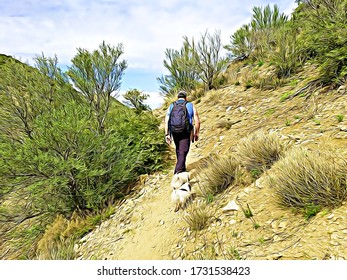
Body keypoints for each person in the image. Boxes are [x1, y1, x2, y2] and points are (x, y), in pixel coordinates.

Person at [165, 90, 200, 174]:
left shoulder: (172, 105)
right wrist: (196, 133)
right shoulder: (190, 105)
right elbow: (197, 121)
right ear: (186, 97)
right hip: (186, 131)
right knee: (183, 151)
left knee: (179, 150)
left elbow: (166, 120)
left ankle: (182, 168)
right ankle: (178, 173)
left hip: (174, 131)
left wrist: (167, 134)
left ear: (178, 97)